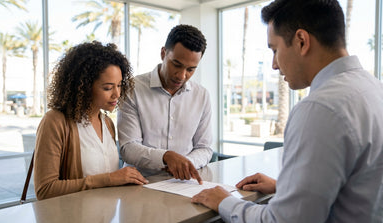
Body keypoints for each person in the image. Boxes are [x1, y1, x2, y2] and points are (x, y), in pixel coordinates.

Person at [192, 0, 383, 222]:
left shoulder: (320, 108)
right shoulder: (375, 89)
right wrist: (286, 186)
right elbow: (360, 183)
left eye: (275, 50)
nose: (274, 64)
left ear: (301, 41)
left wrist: (223, 200)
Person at [34, 41, 148, 200]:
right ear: (84, 86)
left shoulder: (107, 123)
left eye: (119, 85)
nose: (117, 94)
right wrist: (108, 179)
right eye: (108, 88)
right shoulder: (55, 121)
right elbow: (45, 189)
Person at [117, 24, 212, 184]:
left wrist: (186, 165)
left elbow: (204, 147)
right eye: (176, 64)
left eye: (191, 69)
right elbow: (128, 147)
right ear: (163, 53)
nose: (182, 75)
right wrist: (166, 157)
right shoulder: (133, 89)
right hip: (140, 186)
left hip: (184, 185)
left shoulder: (201, 95)